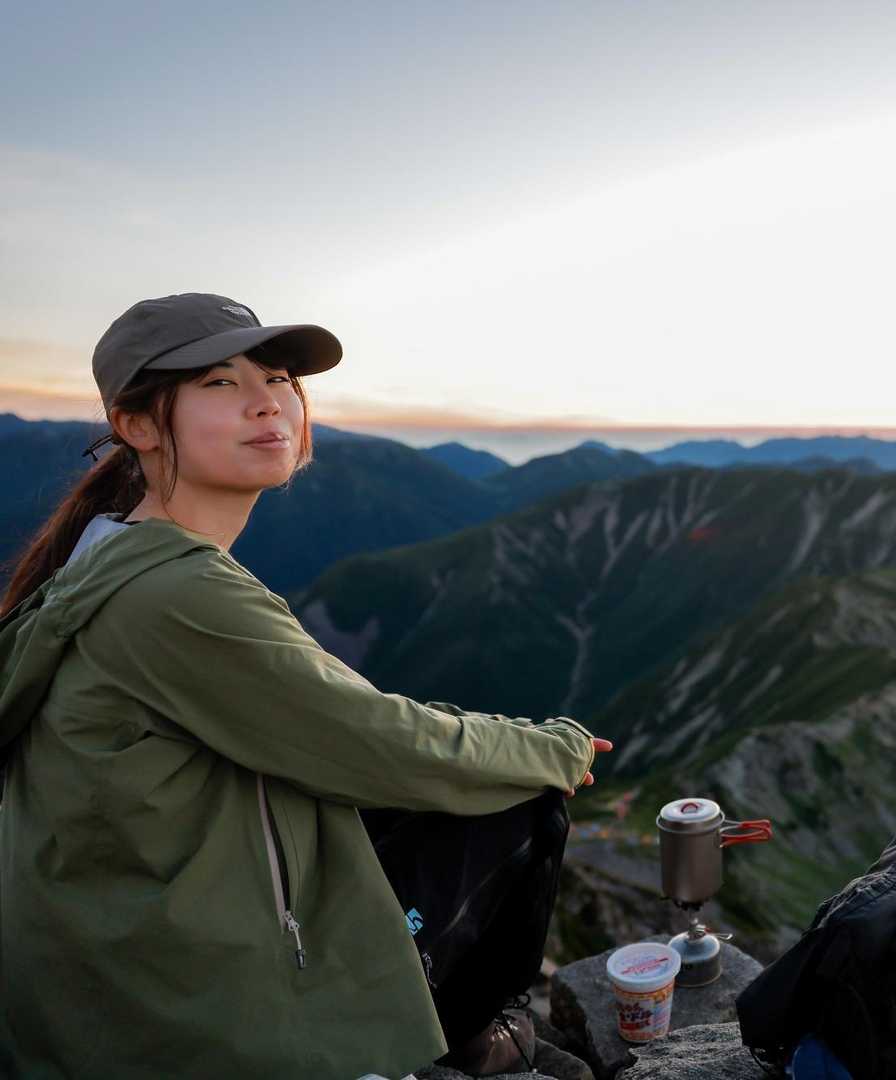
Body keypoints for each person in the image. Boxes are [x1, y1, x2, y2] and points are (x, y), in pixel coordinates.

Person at [0, 293, 614, 1079]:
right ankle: (460, 1040)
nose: (267, 402)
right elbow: (382, 744)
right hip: (177, 1008)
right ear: (139, 426)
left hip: (115, 968)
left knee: (455, 781)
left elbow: (341, 718)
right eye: (219, 383)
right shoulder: (177, 594)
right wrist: (556, 749)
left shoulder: (104, 558)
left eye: (280, 378)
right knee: (518, 802)